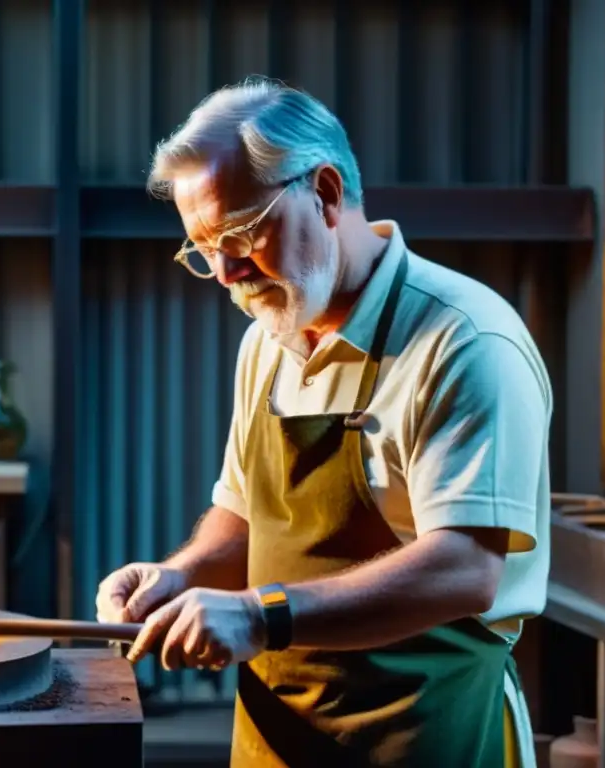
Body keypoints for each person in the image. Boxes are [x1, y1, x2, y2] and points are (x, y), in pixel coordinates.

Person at [96, 77, 551, 767]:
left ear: (327, 193)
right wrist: (180, 575)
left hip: (429, 737)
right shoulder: (268, 339)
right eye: (202, 247)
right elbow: (243, 514)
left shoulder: (464, 338)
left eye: (241, 233)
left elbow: (465, 569)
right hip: (280, 742)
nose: (224, 271)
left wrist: (259, 615)